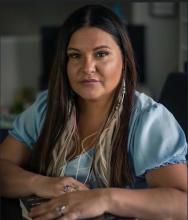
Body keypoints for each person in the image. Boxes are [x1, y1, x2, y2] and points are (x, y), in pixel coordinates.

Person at [0, 4, 187, 220]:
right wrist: (42, 184)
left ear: (124, 60)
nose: (87, 67)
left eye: (101, 54)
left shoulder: (148, 119)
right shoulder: (46, 107)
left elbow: (182, 203)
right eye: (75, 56)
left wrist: (103, 198)